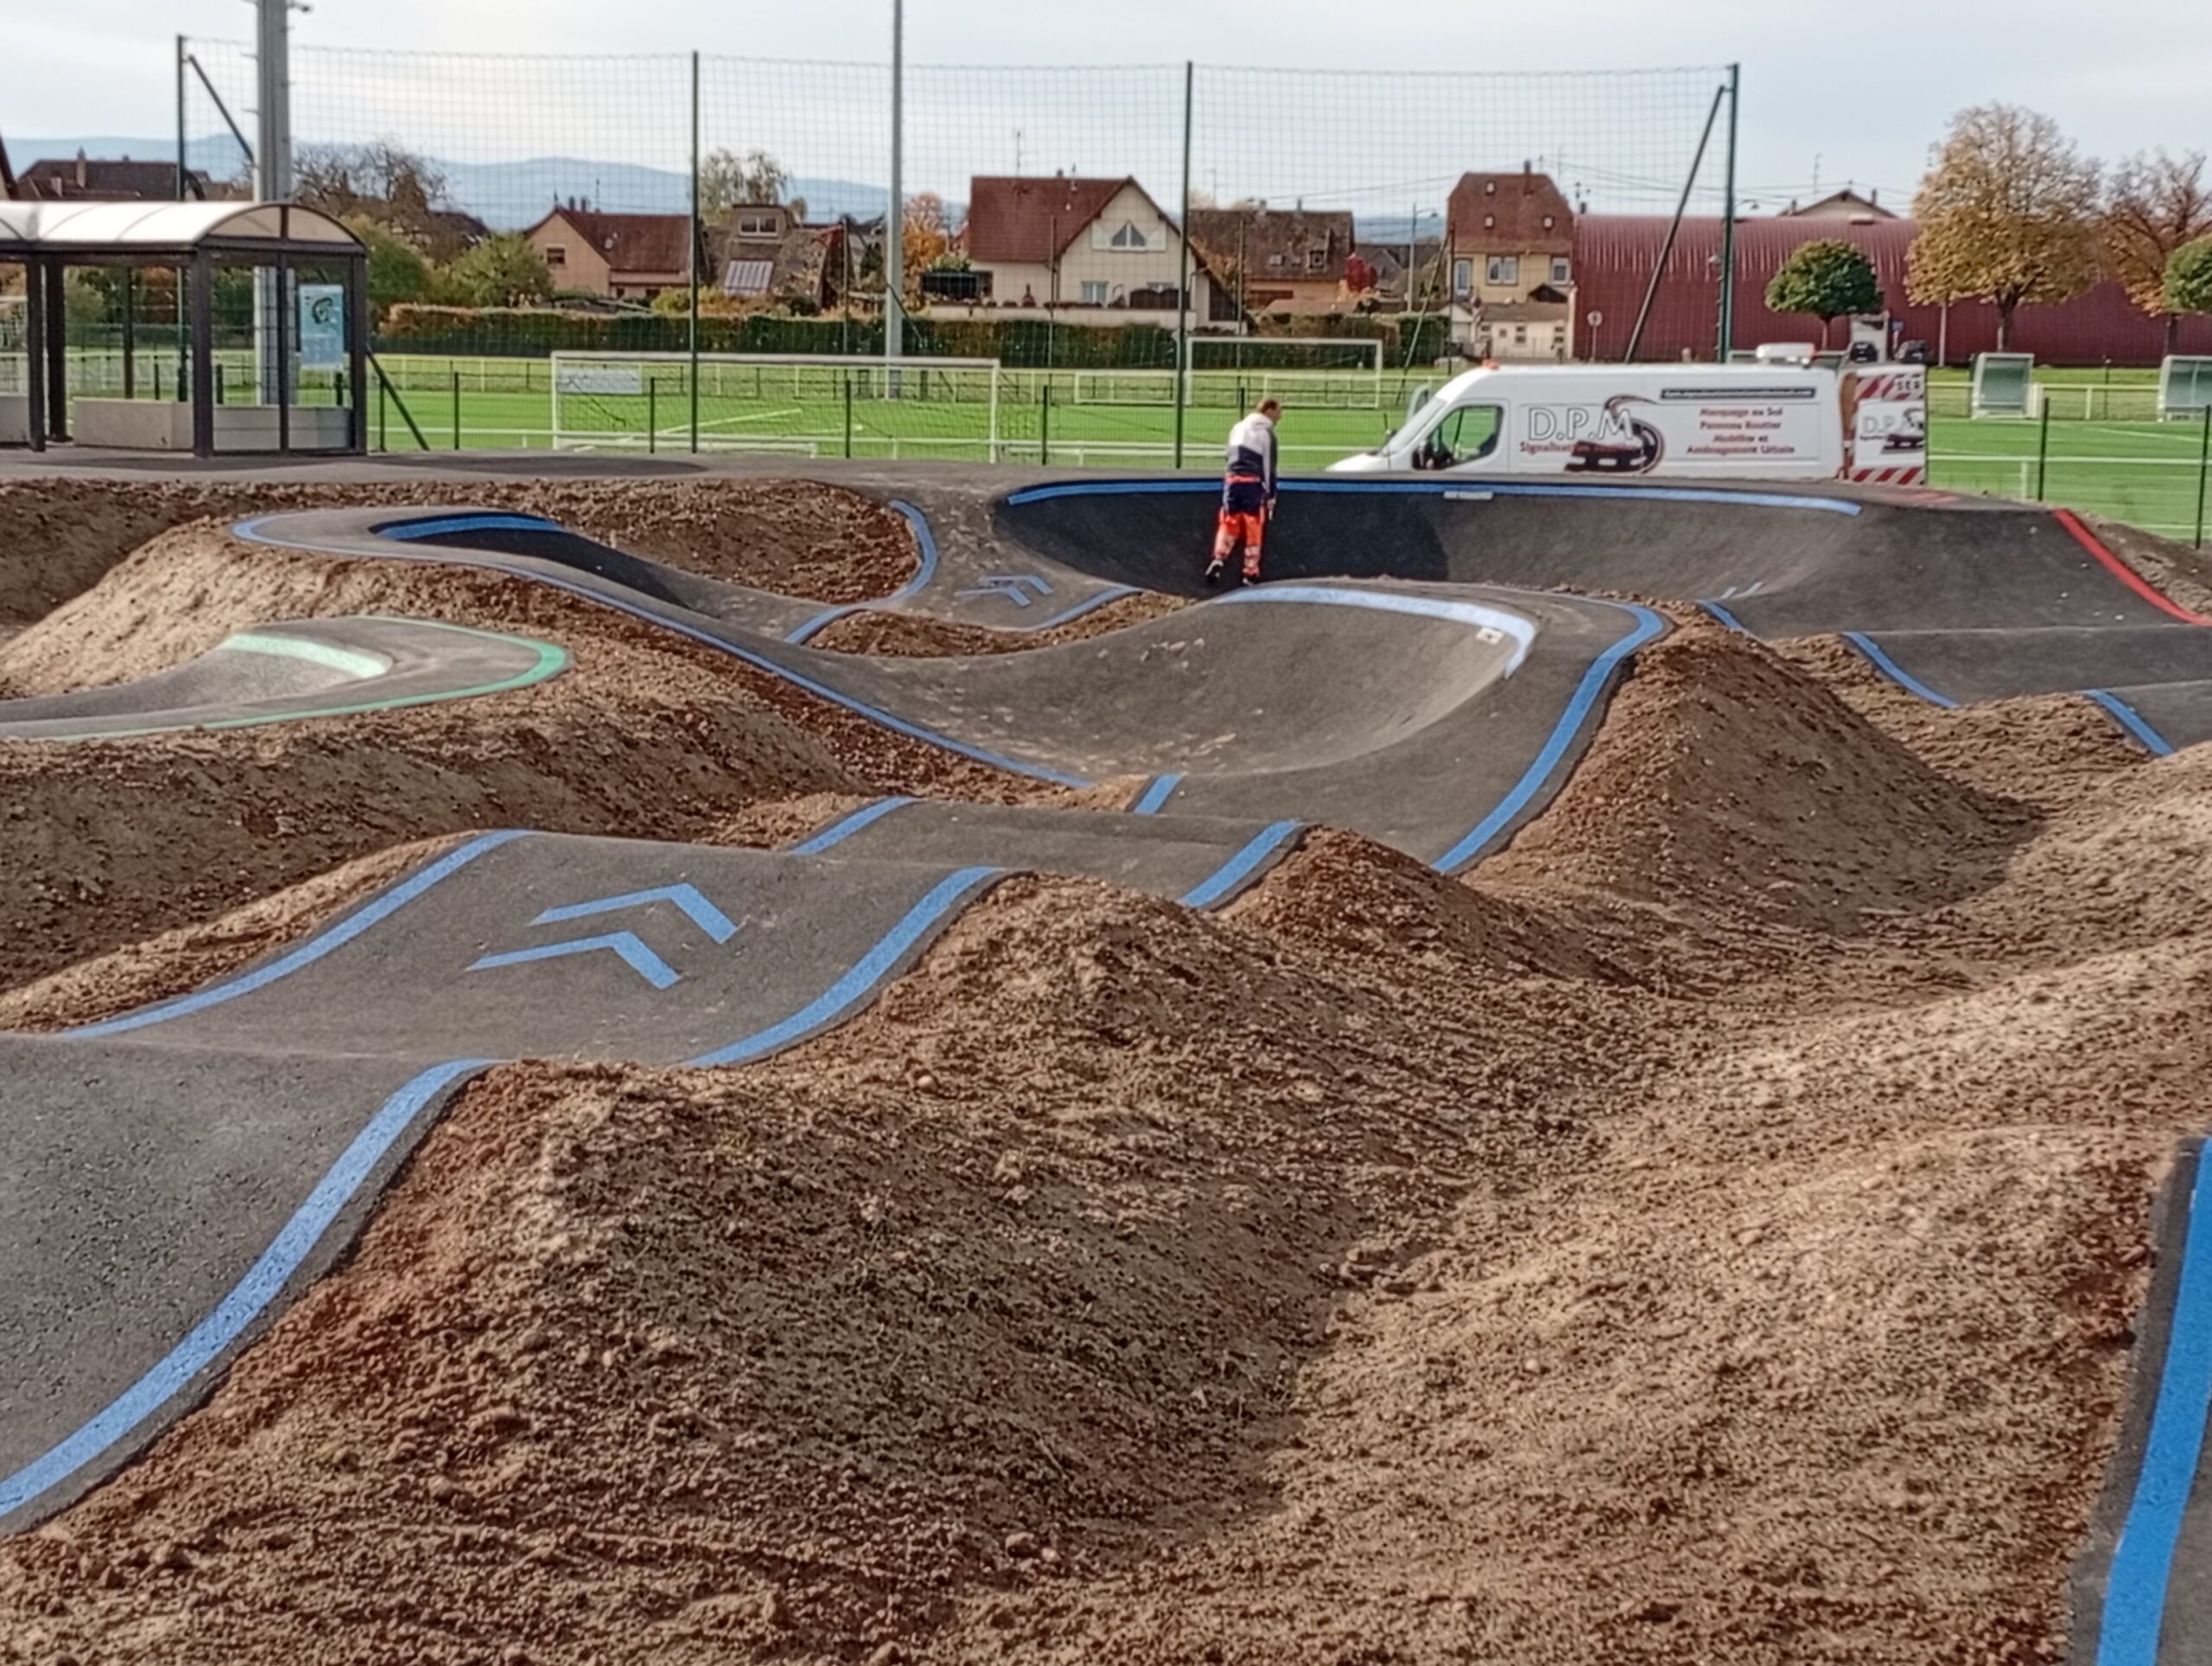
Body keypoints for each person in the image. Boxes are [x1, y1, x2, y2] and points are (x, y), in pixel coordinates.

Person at [1207, 398, 1280, 585]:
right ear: (1269, 411)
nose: (1280, 416)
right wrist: (1271, 496)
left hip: (1232, 481)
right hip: (1252, 484)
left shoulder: (1237, 428)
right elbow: (1269, 467)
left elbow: (1227, 455)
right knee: (1253, 526)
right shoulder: (1266, 433)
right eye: (1278, 412)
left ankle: (1219, 557)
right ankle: (1250, 572)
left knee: (1229, 521)